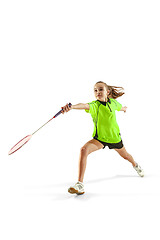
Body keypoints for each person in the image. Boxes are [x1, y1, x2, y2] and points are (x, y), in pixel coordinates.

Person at [61, 81, 144, 195]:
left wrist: (124, 109)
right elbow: (85, 105)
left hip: (115, 139)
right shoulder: (95, 106)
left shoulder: (113, 103)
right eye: (95, 90)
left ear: (107, 91)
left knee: (126, 156)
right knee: (83, 150)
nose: (98, 92)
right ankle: (80, 184)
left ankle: (135, 165)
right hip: (100, 139)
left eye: (100, 89)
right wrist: (72, 107)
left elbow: (119, 107)